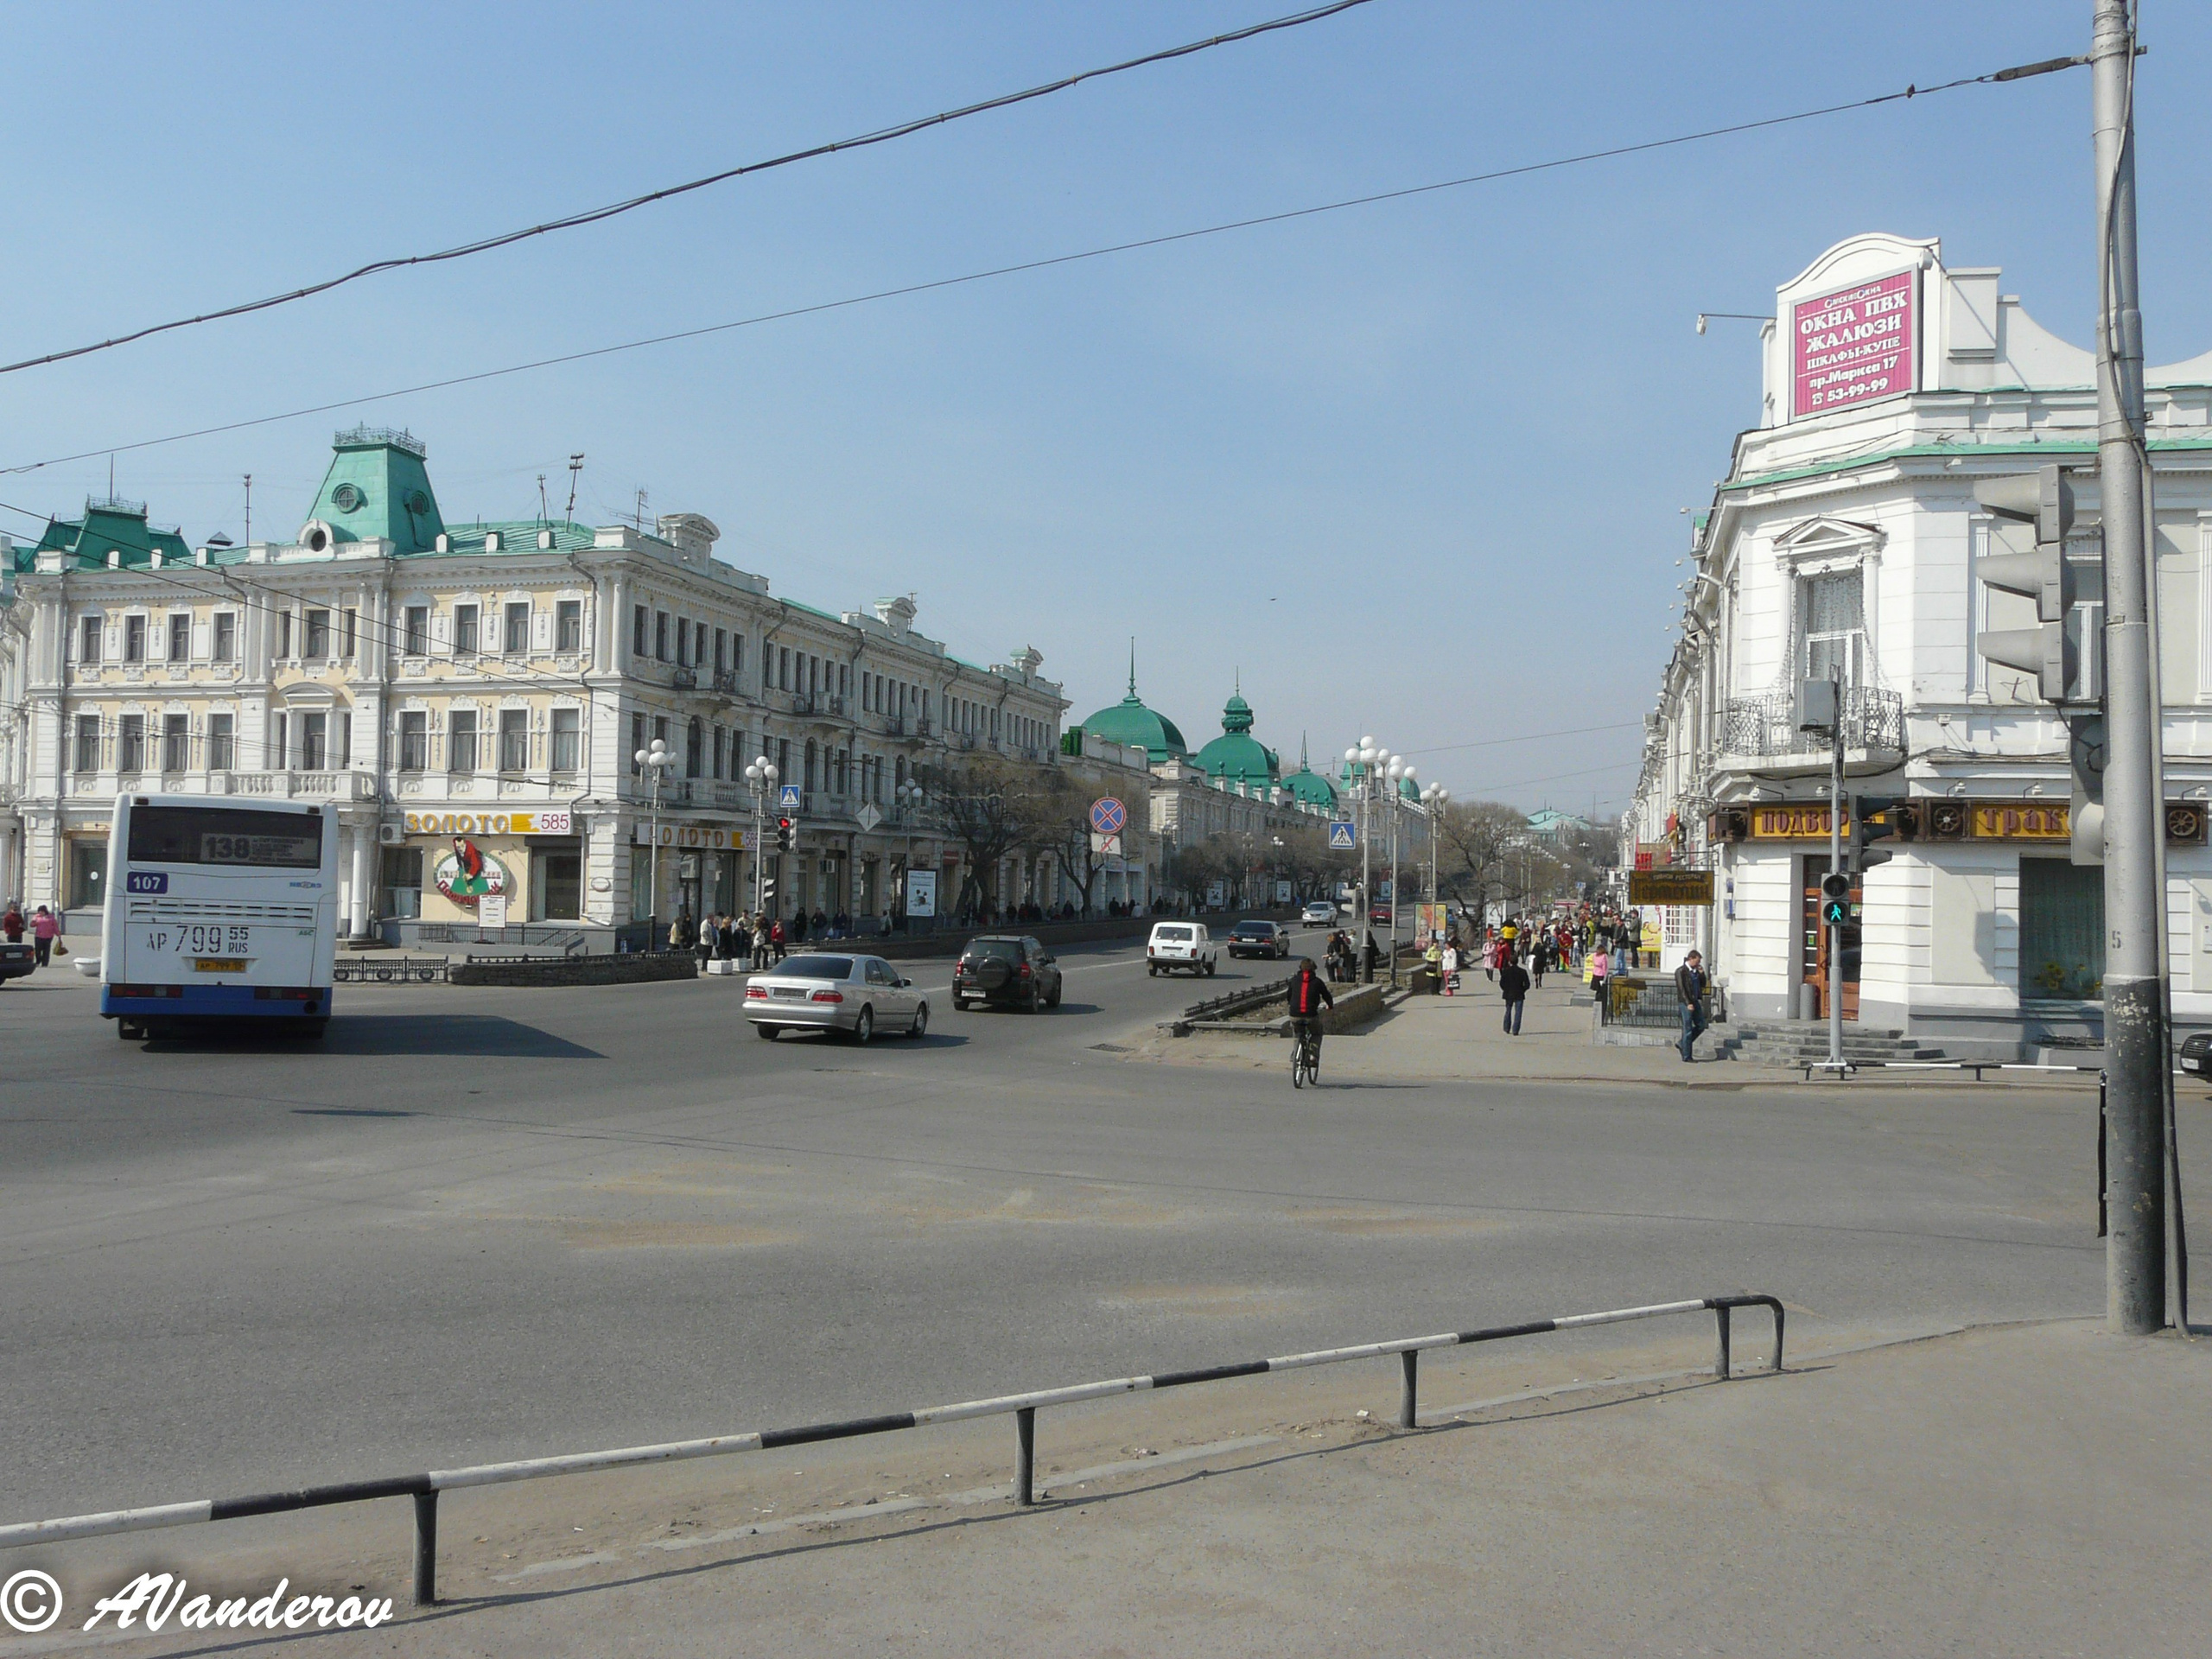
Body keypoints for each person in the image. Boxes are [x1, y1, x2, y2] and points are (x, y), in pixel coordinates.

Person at [1287, 957, 1334, 1070]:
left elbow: (1289, 996)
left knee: (1297, 1033)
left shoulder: (1294, 980)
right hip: (1311, 1015)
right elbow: (1327, 996)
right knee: (1316, 1033)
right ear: (1314, 969)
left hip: (1294, 1014)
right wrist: (1330, 1006)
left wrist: (1292, 1005)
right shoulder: (1317, 982)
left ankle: (1295, 1053)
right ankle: (1313, 1056)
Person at [1675, 948, 1710, 1063]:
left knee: (1701, 1025)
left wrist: (1702, 974)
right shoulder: (1681, 971)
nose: (1698, 964)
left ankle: (1682, 1044)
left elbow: (1703, 985)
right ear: (1691, 959)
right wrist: (1688, 1003)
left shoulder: (1695, 972)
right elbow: (1682, 989)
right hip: (1686, 1003)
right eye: (1697, 961)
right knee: (1688, 1028)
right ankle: (1687, 1056)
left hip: (1695, 1001)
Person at [1498, 950, 1530, 1036]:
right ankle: (1515, 1030)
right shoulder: (1522, 971)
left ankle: (1506, 1028)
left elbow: (1502, 983)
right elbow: (1527, 984)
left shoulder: (1506, 971)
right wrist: (1522, 990)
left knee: (1508, 1010)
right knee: (1518, 1012)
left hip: (1508, 993)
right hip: (1519, 993)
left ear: (1510, 962)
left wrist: (1505, 989)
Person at [30, 904, 60, 968]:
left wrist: (58, 934)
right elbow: (32, 925)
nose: (40, 913)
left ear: (44, 911)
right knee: (37, 950)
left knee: (46, 950)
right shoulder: (37, 917)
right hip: (38, 936)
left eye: (41, 911)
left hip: (48, 936)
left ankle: (45, 963)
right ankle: (38, 960)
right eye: (39, 911)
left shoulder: (51, 917)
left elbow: (55, 926)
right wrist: (34, 922)